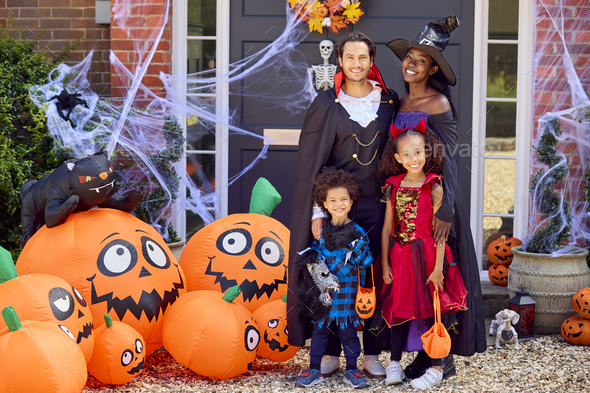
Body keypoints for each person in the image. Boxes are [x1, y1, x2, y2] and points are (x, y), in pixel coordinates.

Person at [288, 31, 400, 378]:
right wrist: (319, 209)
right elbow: (313, 161)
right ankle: (333, 351)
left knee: (374, 276)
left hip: (378, 205)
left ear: (371, 60)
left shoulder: (388, 101)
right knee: (334, 278)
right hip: (337, 207)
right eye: (350, 57)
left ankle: (372, 352)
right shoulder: (326, 103)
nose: (356, 64)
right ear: (340, 60)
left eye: (363, 58)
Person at [385, 15, 487, 379]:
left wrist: (447, 208)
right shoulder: (401, 102)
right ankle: (425, 355)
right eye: (409, 57)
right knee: (413, 279)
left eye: (420, 61)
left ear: (431, 69)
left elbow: (453, 160)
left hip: (436, 203)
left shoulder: (437, 102)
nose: (411, 64)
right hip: (407, 202)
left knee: (436, 279)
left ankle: (443, 358)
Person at [380, 120, 468, 390]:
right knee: (398, 308)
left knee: (433, 309)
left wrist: (439, 268)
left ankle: (436, 367)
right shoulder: (393, 186)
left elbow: (439, 234)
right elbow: (387, 228)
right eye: (406, 154)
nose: (413, 158)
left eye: (418, 152)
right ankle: (394, 363)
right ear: (398, 158)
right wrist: (384, 262)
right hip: (400, 257)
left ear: (426, 152)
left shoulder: (434, 185)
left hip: (429, 257)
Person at [295, 167, 373, 389]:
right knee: (319, 333)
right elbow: (314, 258)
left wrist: (356, 245)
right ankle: (314, 369)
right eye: (333, 200)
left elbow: (366, 261)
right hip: (325, 296)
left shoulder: (357, 231)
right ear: (324, 204)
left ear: (351, 201)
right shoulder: (321, 231)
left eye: (343, 199)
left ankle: (352, 370)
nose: (339, 204)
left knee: (349, 335)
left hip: (348, 295)